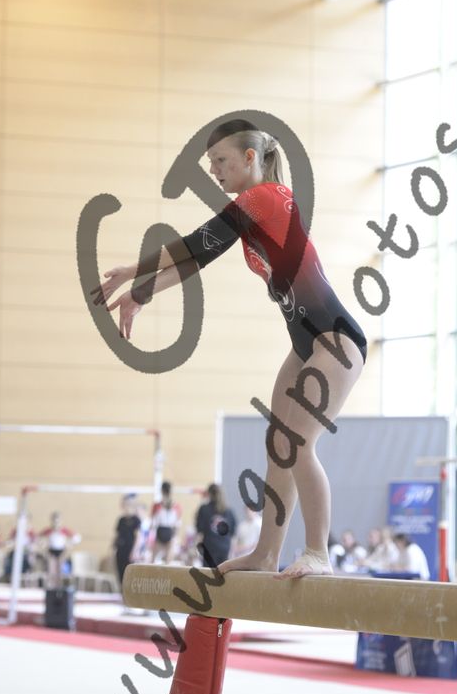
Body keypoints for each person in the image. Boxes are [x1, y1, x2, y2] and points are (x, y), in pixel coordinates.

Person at [92, 119, 367, 579]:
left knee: (298, 443)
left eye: (220, 160)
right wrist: (140, 293)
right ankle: (266, 554)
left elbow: (192, 244)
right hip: (305, 344)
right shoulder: (249, 213)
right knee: (278, 445)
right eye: (210, 163)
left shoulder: (267, 198)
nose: (214, 170)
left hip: (334, 339)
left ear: (250, 158)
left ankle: (318, 552)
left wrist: (133, 271)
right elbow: (197, 258)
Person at [195, 483, 237, 568]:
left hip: (209, 548)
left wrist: (196, 549)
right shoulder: (229, 511)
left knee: (208, 574)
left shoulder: (204, 509)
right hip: (224, 548)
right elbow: (233, 534)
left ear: (209, 494)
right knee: (222, 574)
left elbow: (200, 532)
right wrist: (232, 551)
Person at [41, 511, 81, 584]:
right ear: (51, 521)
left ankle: (58, 584)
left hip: (61, 551)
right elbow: (38, 538)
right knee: (51, 568)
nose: (56, 523)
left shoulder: (64, 530)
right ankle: (51, 584)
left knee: (60, 569)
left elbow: (77, 538)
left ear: (60, 521)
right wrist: (43, 545)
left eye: (58, 521)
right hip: (51, 550)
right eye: (54, 521)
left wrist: (70, 544)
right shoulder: (48, 530)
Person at [113, 494, 142, 591]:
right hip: (121, 549)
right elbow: (117, 535)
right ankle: (122, 593)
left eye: (128, 504)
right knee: (120, 573)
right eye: (124, 504)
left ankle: (130, 593)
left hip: (130, 550)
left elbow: (138, 537)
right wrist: (113, 548)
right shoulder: (121, 520)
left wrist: (134, 551)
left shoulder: (136, 520)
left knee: (130, 574)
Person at [148, 481, 183, 563]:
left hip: (166, 532)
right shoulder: (159, 506)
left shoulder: (174, 506)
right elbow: (177, 524)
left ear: (161, 491)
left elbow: (152, 523)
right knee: (164, 561)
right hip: (164, 532)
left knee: (157, 560)